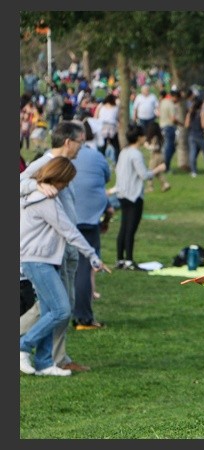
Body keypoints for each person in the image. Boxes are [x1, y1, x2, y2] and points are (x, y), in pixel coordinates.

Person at [21, 156, 112, 376]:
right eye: (67, 181)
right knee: (62, 310)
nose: (68, 185)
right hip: (38, 260)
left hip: (44, 259)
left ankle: (44, 363)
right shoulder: (45, 200)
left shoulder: (41, 196)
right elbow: (68, 230)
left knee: (48, 311)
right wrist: (93, 257)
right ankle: (22, 346)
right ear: (59, 177)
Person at [20, 120, 92, 373]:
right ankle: (46, 355)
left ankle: (53, 358)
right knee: (55, 307)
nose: (81, 148)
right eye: (80, 143)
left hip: (66, 244)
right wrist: (36, 185)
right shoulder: (43, 164)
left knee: (61, 305)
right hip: (51, 248)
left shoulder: (65, 166)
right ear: (68, 142)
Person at [71, 120, 113, 330]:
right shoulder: (97, 157)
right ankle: (83, 317)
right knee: (84, 269)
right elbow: (105, 178)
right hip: (87, 220)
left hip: (66, 218)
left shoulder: (59, 158)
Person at [110, 125, 167, 270]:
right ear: (139, 138)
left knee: (124, 227)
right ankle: (129, 260)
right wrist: (158, 169)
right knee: (131, 228)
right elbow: (144, 174)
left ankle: (120, 259)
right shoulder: (136, 154)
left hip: (122, 194)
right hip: (134, 196)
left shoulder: (124, 152)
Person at [185, 96, 204, 177]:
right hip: (200, 136)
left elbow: (186, 125)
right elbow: (203, 125)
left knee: (192, 154)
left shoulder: (190, 113)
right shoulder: (201, 113)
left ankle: (193, 171)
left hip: (191, 135)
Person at [143, 121, 171, 192]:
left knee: (150, 171)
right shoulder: (160, 137)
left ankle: (150, 187)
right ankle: (165, 184)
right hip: (160, 155)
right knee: (157, 172)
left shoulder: (155, 138)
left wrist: (147, 146)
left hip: (156, 156)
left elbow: (156, 147)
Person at [158, 88, 179, 173]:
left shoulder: (163, 102)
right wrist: (180, 123)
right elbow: (173, 119)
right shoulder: (171, 104)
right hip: (169, 127)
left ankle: (165, 166)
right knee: (169, 148)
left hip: (162, 126)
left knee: (167, 148)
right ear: (174, 96)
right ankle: (166, 167)